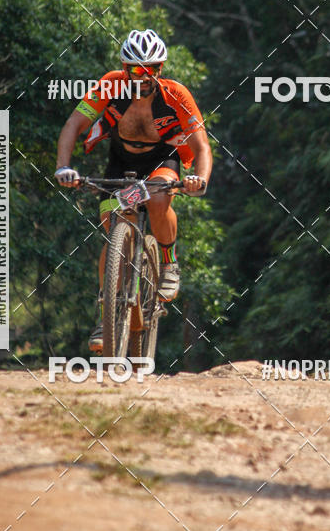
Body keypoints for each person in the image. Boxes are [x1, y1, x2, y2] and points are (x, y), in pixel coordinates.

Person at [55, 28, 212, 351]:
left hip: (161, 160)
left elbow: (202, 146)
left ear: (161, 69)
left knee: (157, 197)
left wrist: (200, 178)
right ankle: (106, 314)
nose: (142, 76)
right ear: (124, 68)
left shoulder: (177, 95)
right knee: (114, 226)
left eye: (150, 69)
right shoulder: (110, 84)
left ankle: (169, 262)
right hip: (121, 162)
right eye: (135, 70)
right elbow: (74, 124)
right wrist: (63, 166)